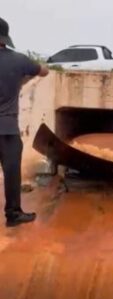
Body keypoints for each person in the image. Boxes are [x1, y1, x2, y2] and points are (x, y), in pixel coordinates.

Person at [0, 17, 48, 227]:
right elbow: (44, 71)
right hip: (7, 130)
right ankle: (13, 215)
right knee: (11, 173)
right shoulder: (18, 60)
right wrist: (21, 80)